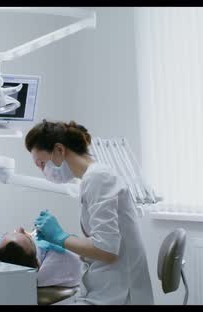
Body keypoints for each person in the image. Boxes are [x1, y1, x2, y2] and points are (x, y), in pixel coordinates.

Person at [25, 120, 154, 305]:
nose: (42, 170)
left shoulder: (98, 178)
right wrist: (62, 240)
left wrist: (60, 237)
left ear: (59, 150)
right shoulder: (90, 179)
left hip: (120, 293)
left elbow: (107, 250)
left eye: (41, 163)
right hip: (108, 285)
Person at [0, 226, 82, 288]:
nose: (20, 228)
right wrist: (63, 238)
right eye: (29, 239)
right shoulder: (59, 259)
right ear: (37, 261)